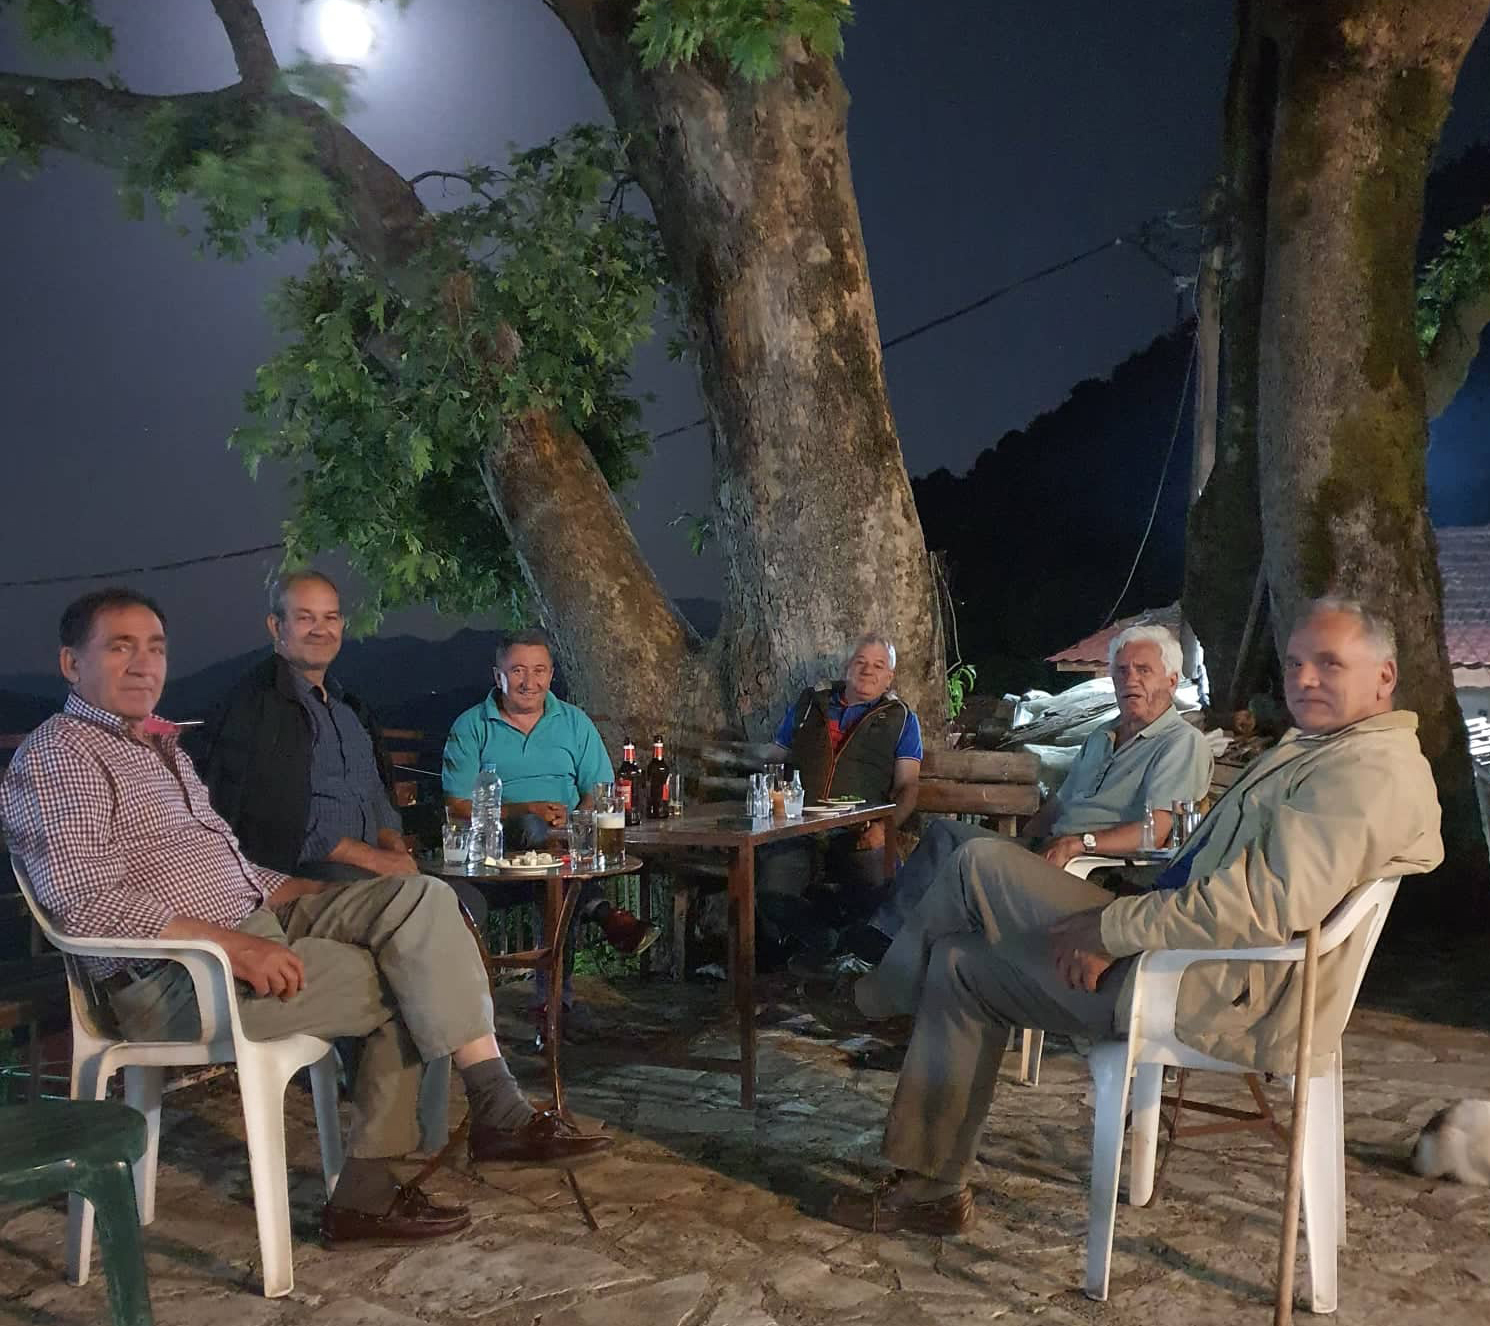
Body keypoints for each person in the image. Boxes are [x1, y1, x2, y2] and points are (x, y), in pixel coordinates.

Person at [0, 589, 611, 1251]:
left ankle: (491, 1107)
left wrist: (318, 897)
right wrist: (231, 947)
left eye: (155, 647)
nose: (145, 663)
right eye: (121, 648)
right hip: (178, 978)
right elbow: (84, 900)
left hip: (254, 923)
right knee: (406, 974)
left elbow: (235, 870)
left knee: (423, 900)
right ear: (71, 663)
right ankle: (389, 1179)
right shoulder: (63, 754)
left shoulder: (156, 747)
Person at [821, 597, 1442, 1233]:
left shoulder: (1367, 772)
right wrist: (1111, 916)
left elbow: (1259, 904)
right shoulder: (1325, 752)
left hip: (1205, 984)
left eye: (1329, 663)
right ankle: (930, 1188)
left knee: (976, 861)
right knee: (959, 962)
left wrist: (1112, 930)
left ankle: (876, 1003)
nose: (1304, 678)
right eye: (1294, 663)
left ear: (1384, 677)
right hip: (1180, 950)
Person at [843, 624, 1213, 965]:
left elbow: (1156, 832)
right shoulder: (1101, 736)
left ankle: (898, 960)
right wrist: (1020, 844)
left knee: (974, 856)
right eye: (1121, 670)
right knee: (945, 834)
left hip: (1095, 873)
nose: (1130, 679)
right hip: (1051, 853)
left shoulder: (1181, 743)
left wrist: (1081, 843)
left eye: (1143, 670)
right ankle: (881, 940)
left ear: (1171, 680)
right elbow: (1059, 804)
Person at [198, 570, 486, 928]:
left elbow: (375, 793)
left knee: (469, 901)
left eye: (330, 618)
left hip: (371, 867)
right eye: (306, 618)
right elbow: (271, 815)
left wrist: (394, 848)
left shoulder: (347, 710)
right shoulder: (256, 709)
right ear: (276, 626)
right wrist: (373, 860)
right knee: (433, 908)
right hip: (307, 873)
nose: (321, 630)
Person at [443, 628, 659, 1029]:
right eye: (518, 671)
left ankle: (553, 1005)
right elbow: (456, 806)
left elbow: (599, 791)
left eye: (539, 670)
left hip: (562, 848)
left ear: (551, 674)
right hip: (496, 853)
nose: (530, 682)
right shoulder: (472, 726)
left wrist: (577, 820)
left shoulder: (574, 723)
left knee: (556, 875)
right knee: (534, 830)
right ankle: (601, 915)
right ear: (498, 676)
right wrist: (526, 810)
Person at [757, 632, 923, 965]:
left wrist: (885, 828)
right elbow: (775, 758)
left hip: (859, 829)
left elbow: (909, 786)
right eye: (860, 662)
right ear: (847, 667)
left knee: (883, 881)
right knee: (770, 888)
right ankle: (821, 941)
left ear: (889, 677)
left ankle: (859, 951)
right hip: (798, 827)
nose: (868, 671)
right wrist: (771, 796)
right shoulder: (810, 704)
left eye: (878, 666)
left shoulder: (901, 719)